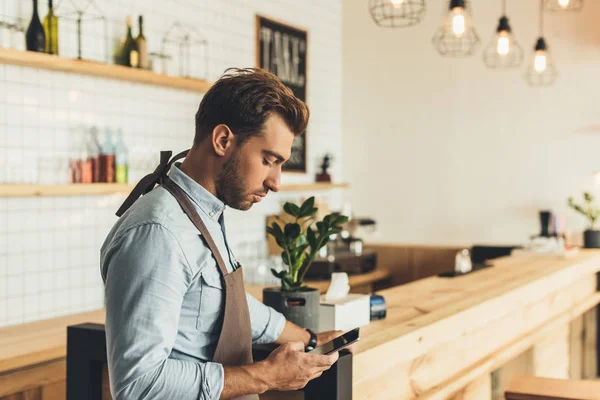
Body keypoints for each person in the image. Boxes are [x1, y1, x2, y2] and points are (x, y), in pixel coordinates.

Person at [100, 68, 345, 400]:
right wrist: (265, 376)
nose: (276, 182)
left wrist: (307, 339)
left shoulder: (204, 213)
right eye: (269, 160)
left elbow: (224, 302)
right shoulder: (159, 233)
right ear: (223, 141)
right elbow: (139, 385)